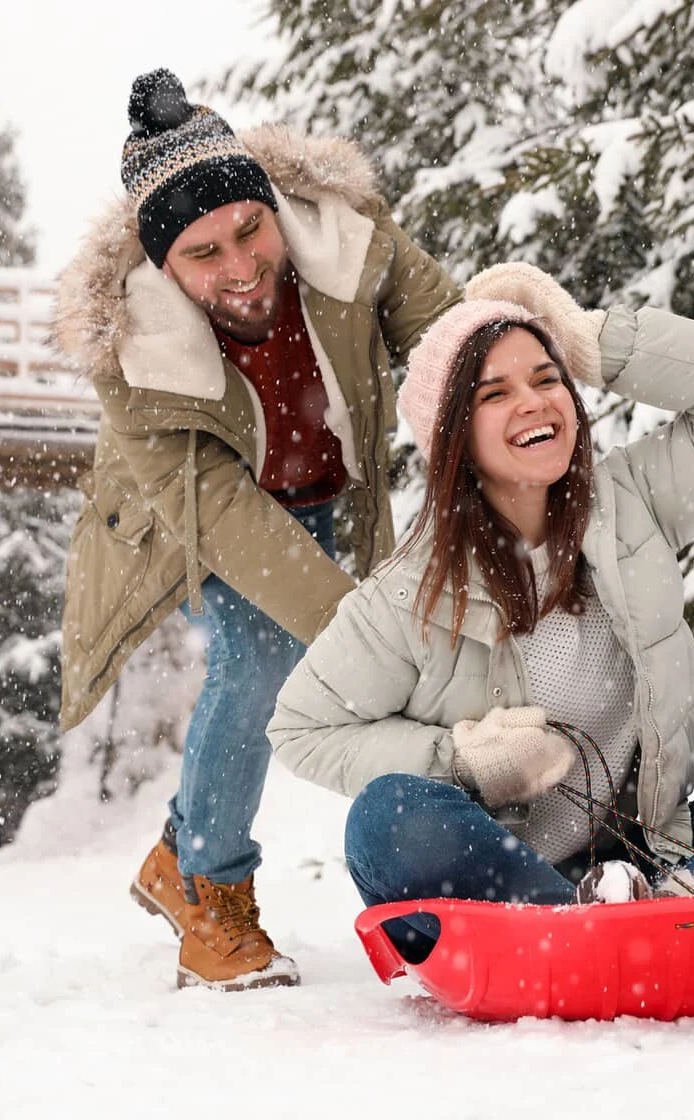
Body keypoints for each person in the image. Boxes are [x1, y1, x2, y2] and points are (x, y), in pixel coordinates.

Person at [267, 262, 694, 962]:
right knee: (386, 820)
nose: (533, 402)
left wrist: (592, 342)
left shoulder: (632, 503)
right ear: (454, 438)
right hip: (497, 895)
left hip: (649, 872)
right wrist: (462, 761)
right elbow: (301, 729)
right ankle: (582, 930)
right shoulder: (408, 593)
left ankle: (683, 908)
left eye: (546, 377)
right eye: (494, 393)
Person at [53, 69, 460, 990]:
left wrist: (508, 410)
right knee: (265, 661)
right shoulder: (133, 356)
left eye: (250, 228)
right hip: (204, 514)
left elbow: (447, 339)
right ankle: (206, 881)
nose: (240, 267)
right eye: (203, 253)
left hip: (330, 488)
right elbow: (228, 520)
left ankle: (177, 851)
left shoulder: (353, 245)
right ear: (163, 268)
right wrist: (366, 636)